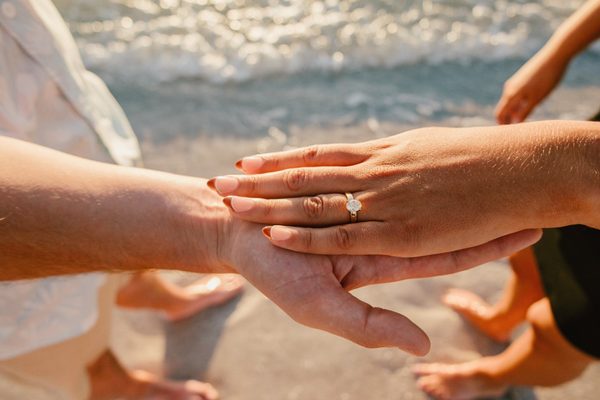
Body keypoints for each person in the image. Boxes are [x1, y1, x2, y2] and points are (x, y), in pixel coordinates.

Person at [0, 136, 540, 398]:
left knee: (114, 274)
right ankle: (117, 388)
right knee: (59, 333)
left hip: (64, 150)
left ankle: (157, 295)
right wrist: (547, 165)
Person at [0, 1, 242, 398]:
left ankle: (154, 294)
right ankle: (116, 386)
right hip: (21, 237)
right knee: (60, 321)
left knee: (119, 235)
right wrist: (213, 232)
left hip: (54, 100)